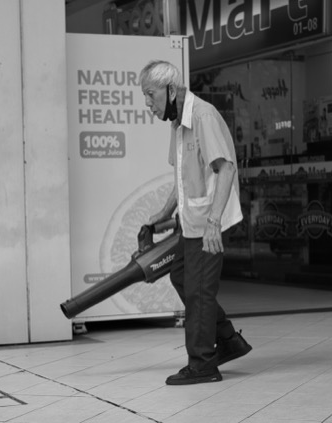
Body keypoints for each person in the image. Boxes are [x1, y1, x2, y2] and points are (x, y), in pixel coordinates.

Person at [139, 60, 252, 385]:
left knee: (199, 289)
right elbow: (184, 177)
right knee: (180, 275)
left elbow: (226, 168)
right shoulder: (178, 122)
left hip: (208, 221)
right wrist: (164, 212)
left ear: (170, 90)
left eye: (150, 95)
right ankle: (228, 340)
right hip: (191, 220)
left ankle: (202, 365)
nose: (148, 104)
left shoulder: (202, 116)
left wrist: (214, 221)